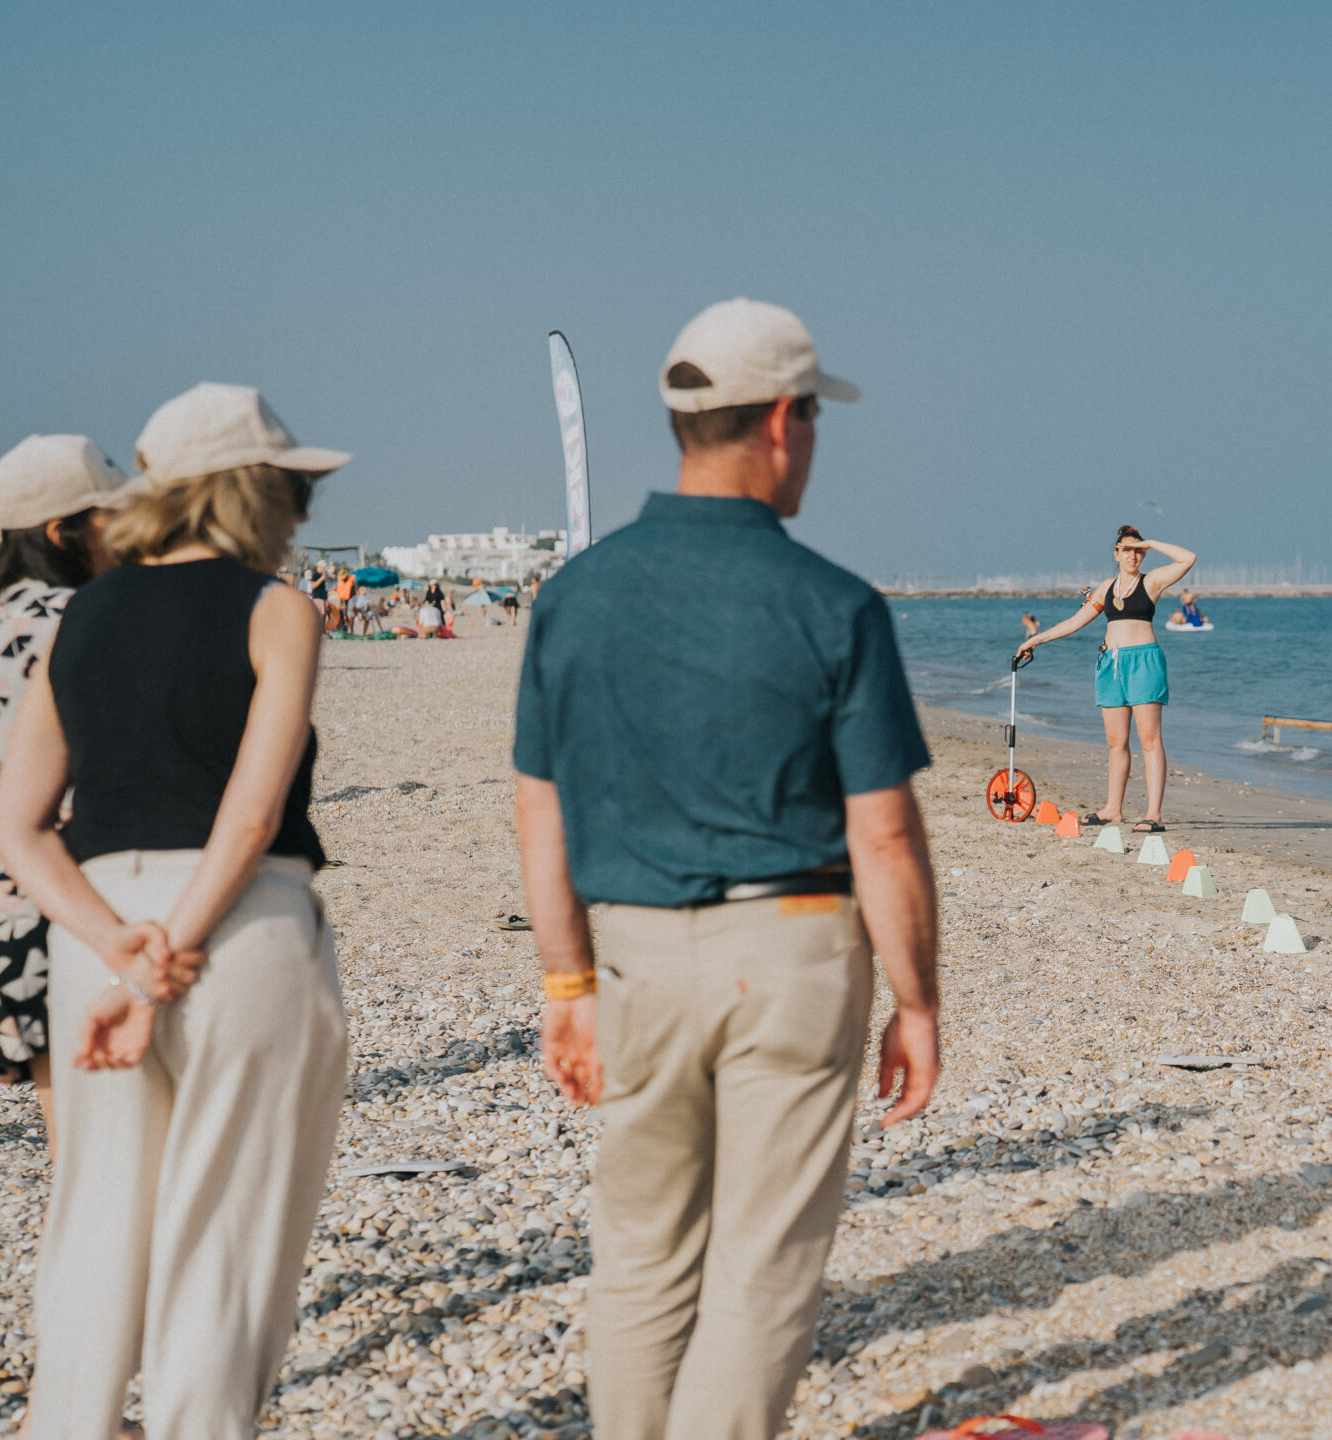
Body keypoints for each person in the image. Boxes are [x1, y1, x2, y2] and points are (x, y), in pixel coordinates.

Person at [512, 297, 941, 1440]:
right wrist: (919, 1000)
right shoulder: (833, 604)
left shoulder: (573, 598)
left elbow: (538, 809)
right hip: (791, 948)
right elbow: (886, 833)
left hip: (637, 954)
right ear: (787, 423)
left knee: (641, 1256)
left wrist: (566, 984)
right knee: (761, 1268)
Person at [0, 382, 348, 1440]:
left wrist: (117, 950)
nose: (302, 513)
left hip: (97, 929)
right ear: (249, 494)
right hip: (236, 931)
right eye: (293, 490)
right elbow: (249, 815)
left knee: (93, 1223)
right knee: (225, 1236)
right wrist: (170, 956)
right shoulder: (275, 608)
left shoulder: (84, 615)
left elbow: (19, 828)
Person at [0, 436, 129, 1166]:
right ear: (67, 531)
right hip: (40, 887)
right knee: (80, 1145)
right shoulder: (78, 617)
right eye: (107, 517)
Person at [1017, 525, 1197, 831]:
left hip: (1144, 662)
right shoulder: (1106, 588)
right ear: (1116, 554)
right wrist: (1035, 641)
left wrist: (1150, 543)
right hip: (1110, 665)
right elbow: (1075, 622)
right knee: (1117, 743)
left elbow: (1187, 559)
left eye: (1138, 551)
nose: (1133, 556)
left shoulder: (1151, 582)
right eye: (1127, 550)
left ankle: (1154, 814)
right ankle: (1113, 808)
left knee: (1150, 740)